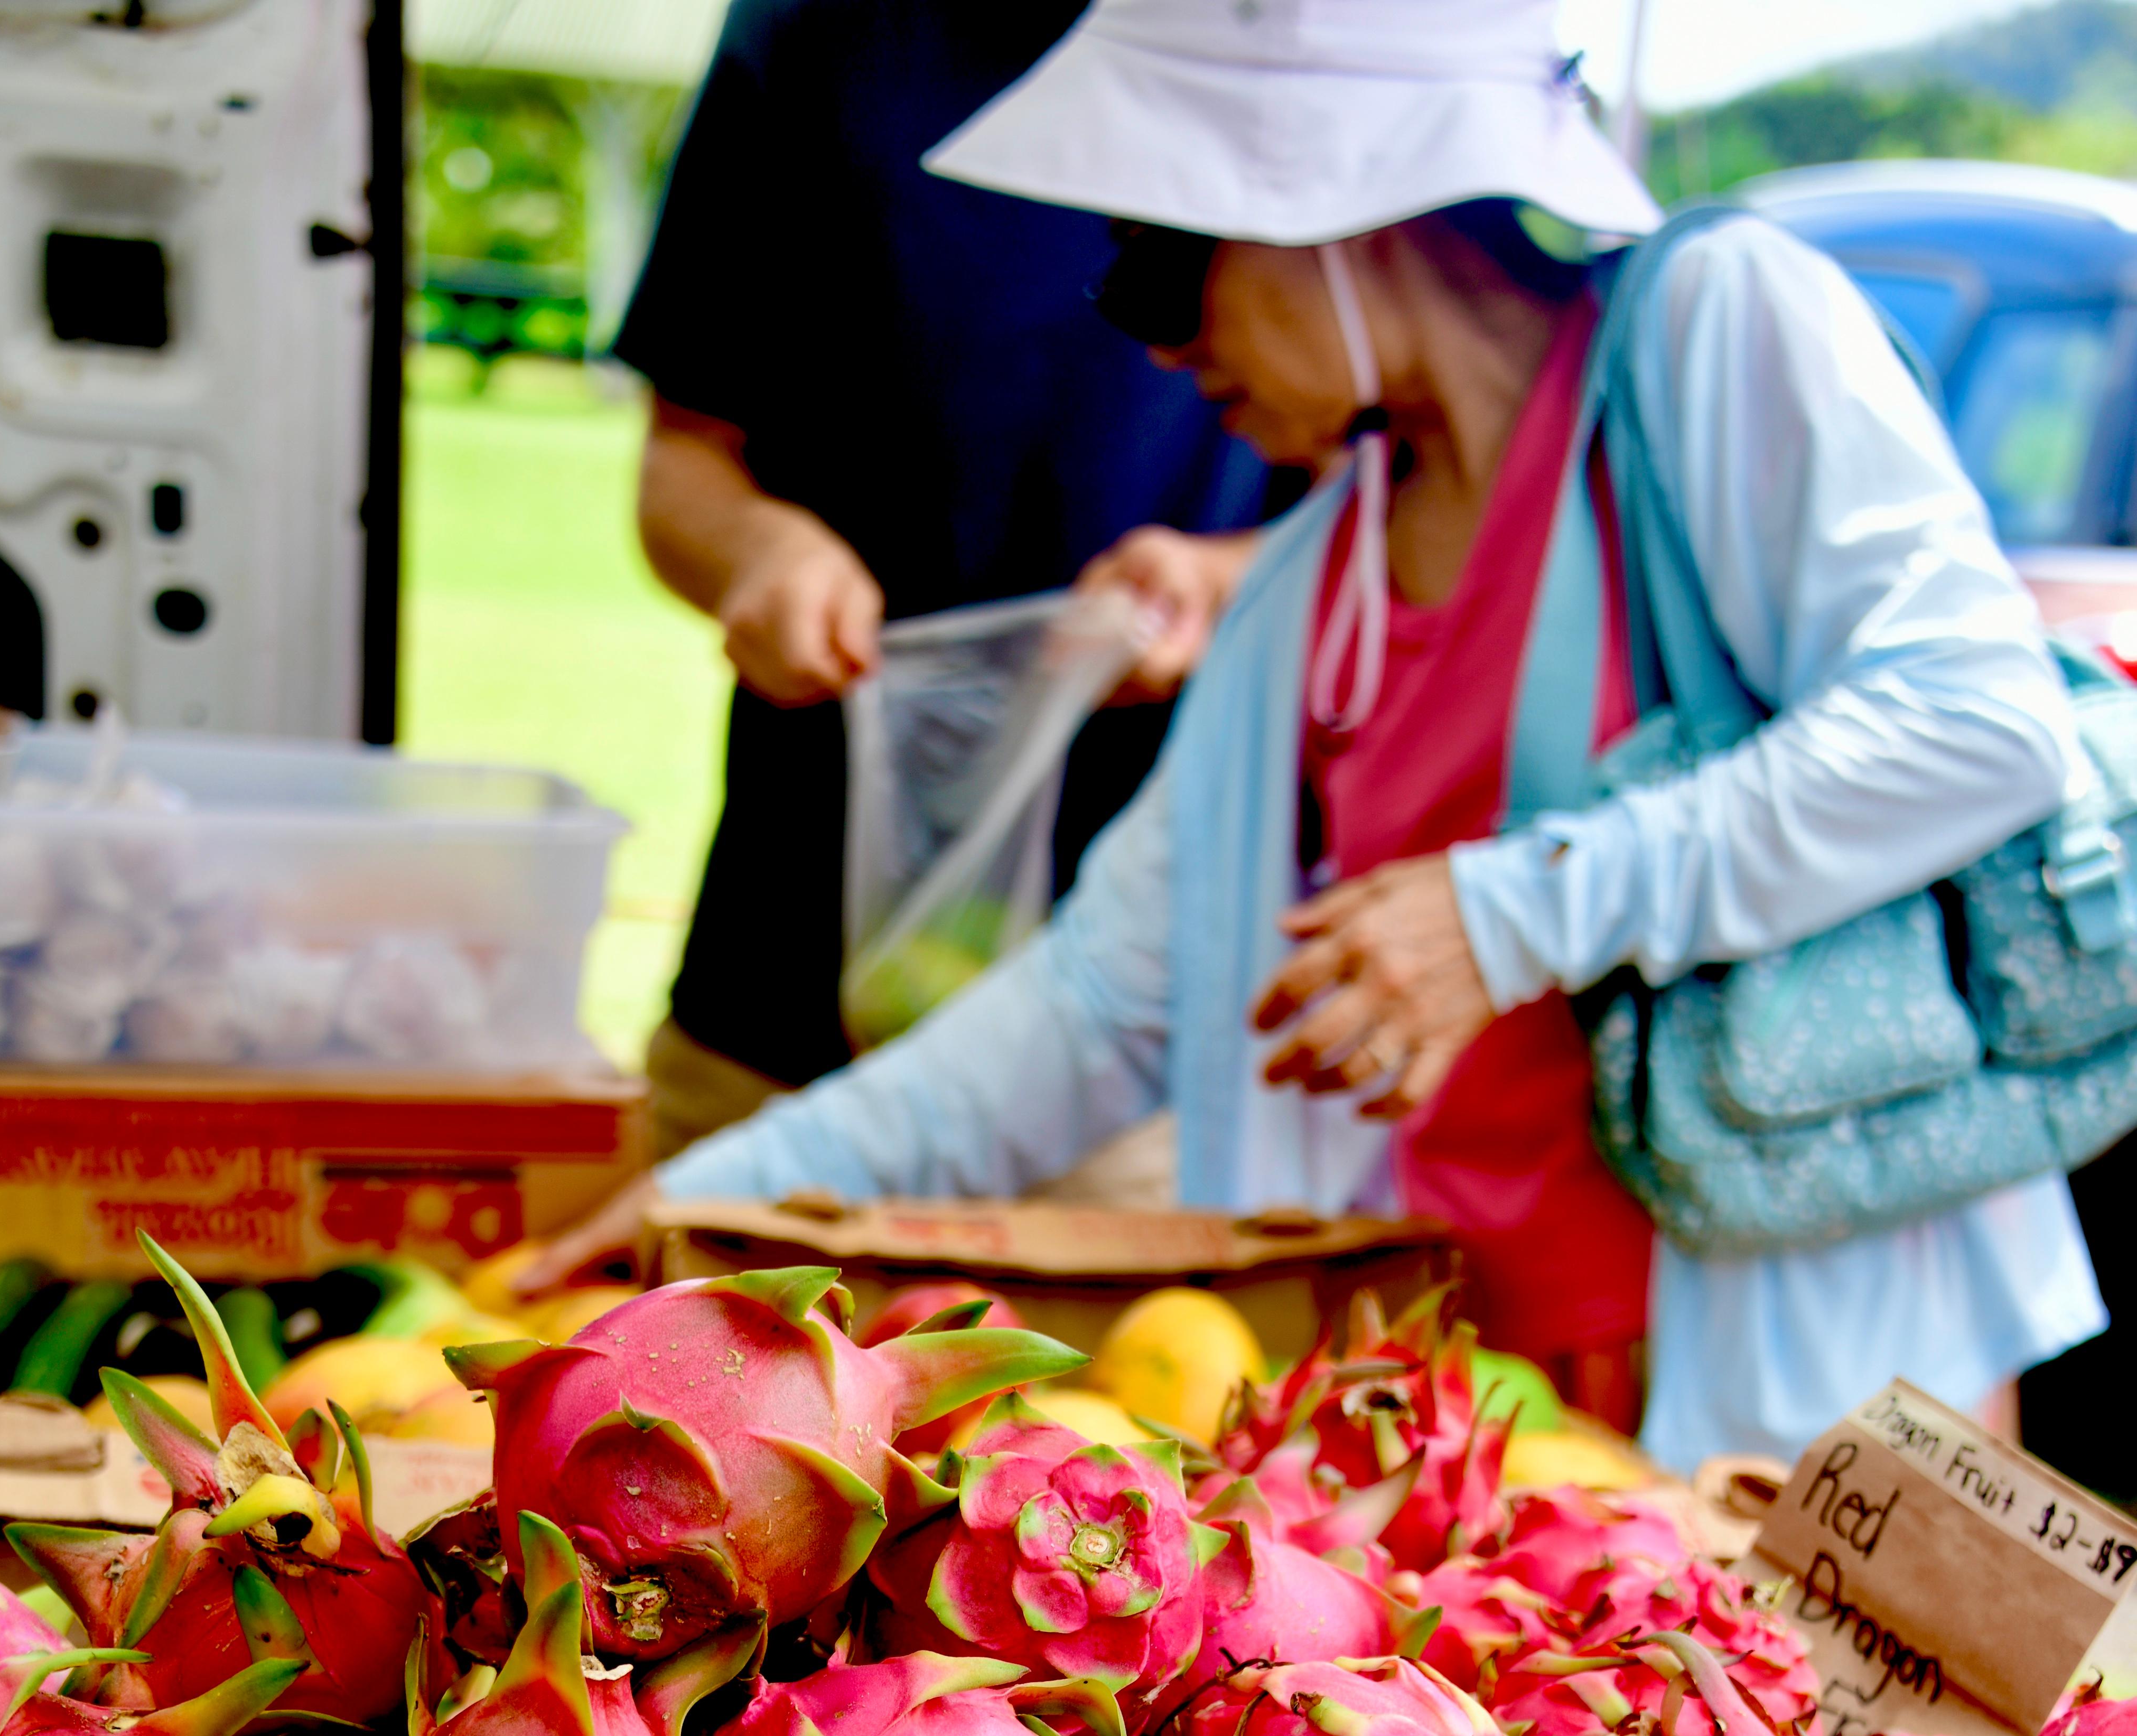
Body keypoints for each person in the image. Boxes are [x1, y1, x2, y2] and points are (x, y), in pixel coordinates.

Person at [545, 0, 2106, 1476]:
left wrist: (1506, 911)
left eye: (1157, 265)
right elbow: (1097, 1008)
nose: (1151, 347)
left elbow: (1973, 722)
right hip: (1486, 1426)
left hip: (1809, 1396)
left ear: (1331, 197)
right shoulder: (1313, 576)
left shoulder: (1709, 325)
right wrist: (712, 1211)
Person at [609, 0, 1272, 1143]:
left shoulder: (1312, 48)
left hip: (1148, 1070)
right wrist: (764, 551)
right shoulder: (809, 35)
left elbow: (1438, 493)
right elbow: (682, 463)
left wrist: (1223, 584)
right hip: (777, 1016)